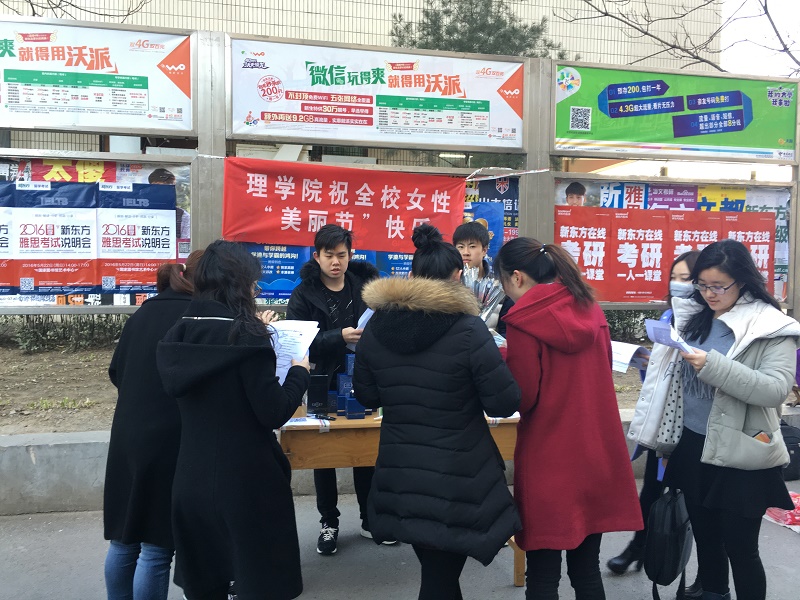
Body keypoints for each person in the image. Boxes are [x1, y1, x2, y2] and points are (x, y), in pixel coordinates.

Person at [353, 223, 521, 600]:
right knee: (440, 577)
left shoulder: (376, 326)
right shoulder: (469, 329)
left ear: (412, 275)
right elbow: (504, 402)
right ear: (458, 276)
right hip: (458, 475)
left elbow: (365, 395)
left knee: (436, 572)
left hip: (401, 470)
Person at [156, 240, 310, 600]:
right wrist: (299, 373)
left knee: (206, 585)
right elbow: (273, 411)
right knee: (260, 583)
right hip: (248, 482)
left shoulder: (178, 332)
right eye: (253, 283)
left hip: (191, 479)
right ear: (238, 284)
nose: (255, 290)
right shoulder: (247, 335)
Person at [496, 237, 642, 599]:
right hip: (596, 453)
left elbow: (524, 397)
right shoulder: (590, 309)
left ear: (517, 277)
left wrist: (502, 360)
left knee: (543, 576)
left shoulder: (524, 321)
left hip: (548, 459)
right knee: (587, 570)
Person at [661, 239, 798, 600]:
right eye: (702, 284)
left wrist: (713, 366)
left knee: (741, 549)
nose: (709, 294)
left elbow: (774, 390)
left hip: (742, 452)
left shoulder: (771, 326)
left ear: (743, 281)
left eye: (719, 286)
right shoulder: (698, 317)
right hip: (694, 445)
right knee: (707, 542)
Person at [103, 250, 203, 600]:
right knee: (157, 547)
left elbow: (116, 371)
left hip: (127, 433)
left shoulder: (144, 312)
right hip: (169, 437)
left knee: (123, 539)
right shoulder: (193, 316)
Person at [606, 250, 704, 599]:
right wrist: (647, 362)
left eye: (686, 278)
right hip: (661, 424)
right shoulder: (668, 316)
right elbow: (658, 379)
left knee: (697, 503)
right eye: (674, 278)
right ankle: (638, 547)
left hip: (693, 427)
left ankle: (706, 576)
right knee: (651, 492)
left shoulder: (711, 321)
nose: (678, 285)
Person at [286, 224, 382, 555]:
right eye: (329, 256)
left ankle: (369, 519)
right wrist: (338, 337)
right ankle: (329, 522)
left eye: (342, 255)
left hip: (361, 380)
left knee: (365, 451)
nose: (336, 262)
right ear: (317, 256)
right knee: (323, 456)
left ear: (350, 255)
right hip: (321, 383)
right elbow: (297, 344)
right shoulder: (303, 293)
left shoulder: (365, 288)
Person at [453, 220, 513, 335]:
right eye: (460, 247)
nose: (465, 252)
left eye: (472, 246)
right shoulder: (450, 282)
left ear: (484, 250)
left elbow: (505, 330)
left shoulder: (499, 285)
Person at [149, 167, 190, 239]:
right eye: (157, 188)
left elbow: (185, 242)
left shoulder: (183, 216)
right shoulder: (141, 212)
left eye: (168, 188)